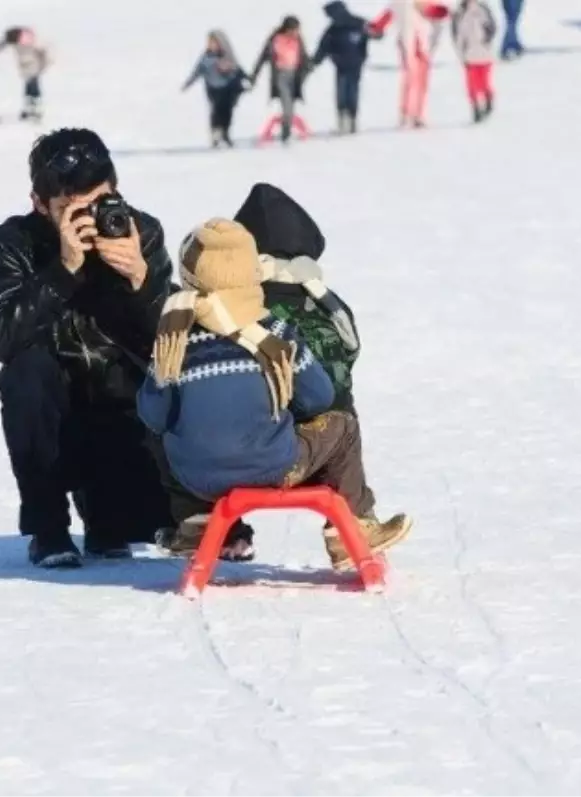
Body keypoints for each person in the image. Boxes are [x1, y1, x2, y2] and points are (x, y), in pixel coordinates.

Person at [139, 219, 412, 570]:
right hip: (271, 464)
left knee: (169, 429)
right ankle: (352, 531)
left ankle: (194, 523)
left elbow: (152, 415)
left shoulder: (174, 341)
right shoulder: (274, 332)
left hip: (196, 477)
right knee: (342, 426)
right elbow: (319, 398)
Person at [0, 128, 175, 568]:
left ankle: (109, 510)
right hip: (52, 409)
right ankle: (48, 527)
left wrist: (143, 282)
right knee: (23, 371)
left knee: (127, 531)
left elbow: (169, 345)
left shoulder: (140, 232)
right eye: (70, 209)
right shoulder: (11, 244)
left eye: (97, 203)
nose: (87, 219)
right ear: (39, 204)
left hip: (119, 406)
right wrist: (62, 270)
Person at [233, 183, 361, 415]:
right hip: (343, 433)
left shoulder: (244, 309)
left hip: (281, 439)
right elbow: (349, 356)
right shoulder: (326, 301)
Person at [370, 0, 450, 128]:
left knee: (420, 79)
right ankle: (408, 113)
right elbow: (390, 13)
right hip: (408, 41)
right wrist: (376, 26)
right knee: (412, 77)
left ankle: (417, 114)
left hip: (423, 41)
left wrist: (438, 11)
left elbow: (439, 12)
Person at [312, 1, 375, 135]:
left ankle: (346, 121)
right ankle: (349, 120)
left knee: (345, 91)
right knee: (351, 90)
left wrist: (314, 62)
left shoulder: (339, 27)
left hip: (347, 64)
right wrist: (314, 61)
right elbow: (324, 47)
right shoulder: (355, 24)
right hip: (349, 64)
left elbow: (323, 47)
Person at [249, 15, 311, 145]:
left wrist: (308, 66)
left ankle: (286, 130)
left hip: (295, 76)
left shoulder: (298, 40)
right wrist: (254, 75)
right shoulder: (275, 40)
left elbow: (304, 56)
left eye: (297, 30)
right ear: (287, 29)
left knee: (290, 106)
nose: (296, 33)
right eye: (293, 30)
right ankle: (286, 133)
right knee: (287, 105)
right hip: (281, 76)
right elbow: (262, 57)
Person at [181, 30, 247, 149]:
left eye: (214, 43)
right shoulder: (205, 57)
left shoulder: (227, 55)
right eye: (210, 43)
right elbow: (197, 71)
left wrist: (242, 76)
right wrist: (188, 83)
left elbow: (237, 69)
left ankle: (225, 133)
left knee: (227, 112)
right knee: (216, 110)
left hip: (227, 88)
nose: (211, 46)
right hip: (213, 89)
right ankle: (216, 133)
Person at [0, 26, 50, 122]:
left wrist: (43, 65)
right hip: (28, 67)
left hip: (34, 67)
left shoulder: (31, 42)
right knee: (29, 89)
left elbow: (44, 53)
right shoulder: (20, 39)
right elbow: (3, 43)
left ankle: (35, 110)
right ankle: (31, 110)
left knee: (33, 89)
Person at [451, 0, 497, 123]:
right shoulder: (459, 13)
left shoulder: (483, 9)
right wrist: (461, 52)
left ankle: (488, 99)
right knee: (472, 84)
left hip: (484, 52)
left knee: (484, 82)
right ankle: (476, 107)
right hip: (469, 55)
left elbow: (492, 28)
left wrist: (487, 41)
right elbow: (456, 34)